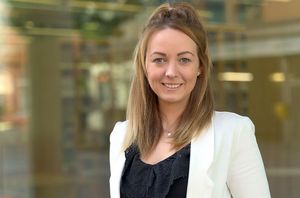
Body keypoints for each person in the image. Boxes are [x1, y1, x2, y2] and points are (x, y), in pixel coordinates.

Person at [109, 2, 271, 198]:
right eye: (159, 59)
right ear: (144, 66)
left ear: (200, 67)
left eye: (184, 60)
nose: (171, 72)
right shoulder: (121, 136)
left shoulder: (233, 133)